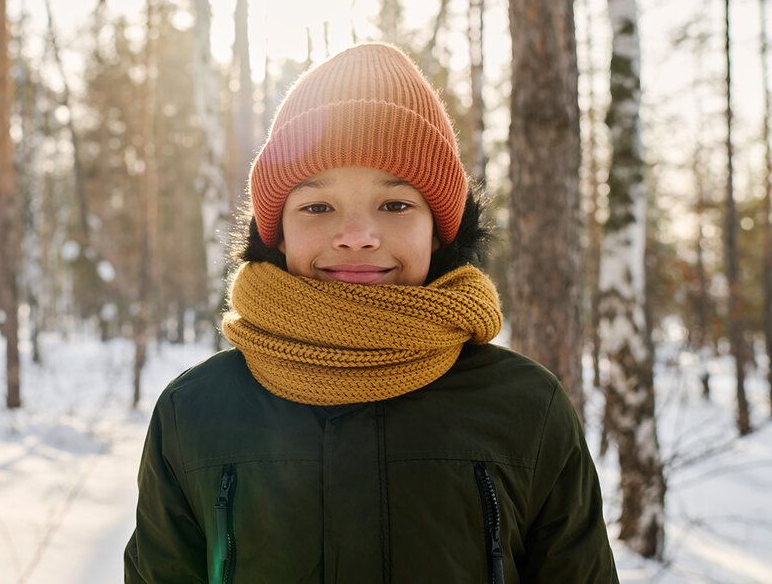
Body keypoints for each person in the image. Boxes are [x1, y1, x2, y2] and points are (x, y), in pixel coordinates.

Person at [124, 42, 618, 583]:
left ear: (439, 230)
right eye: (317, 206)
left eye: (395, 205)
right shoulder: (193, 412)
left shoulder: (527, 408)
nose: (357, 237)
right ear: (278, 233)